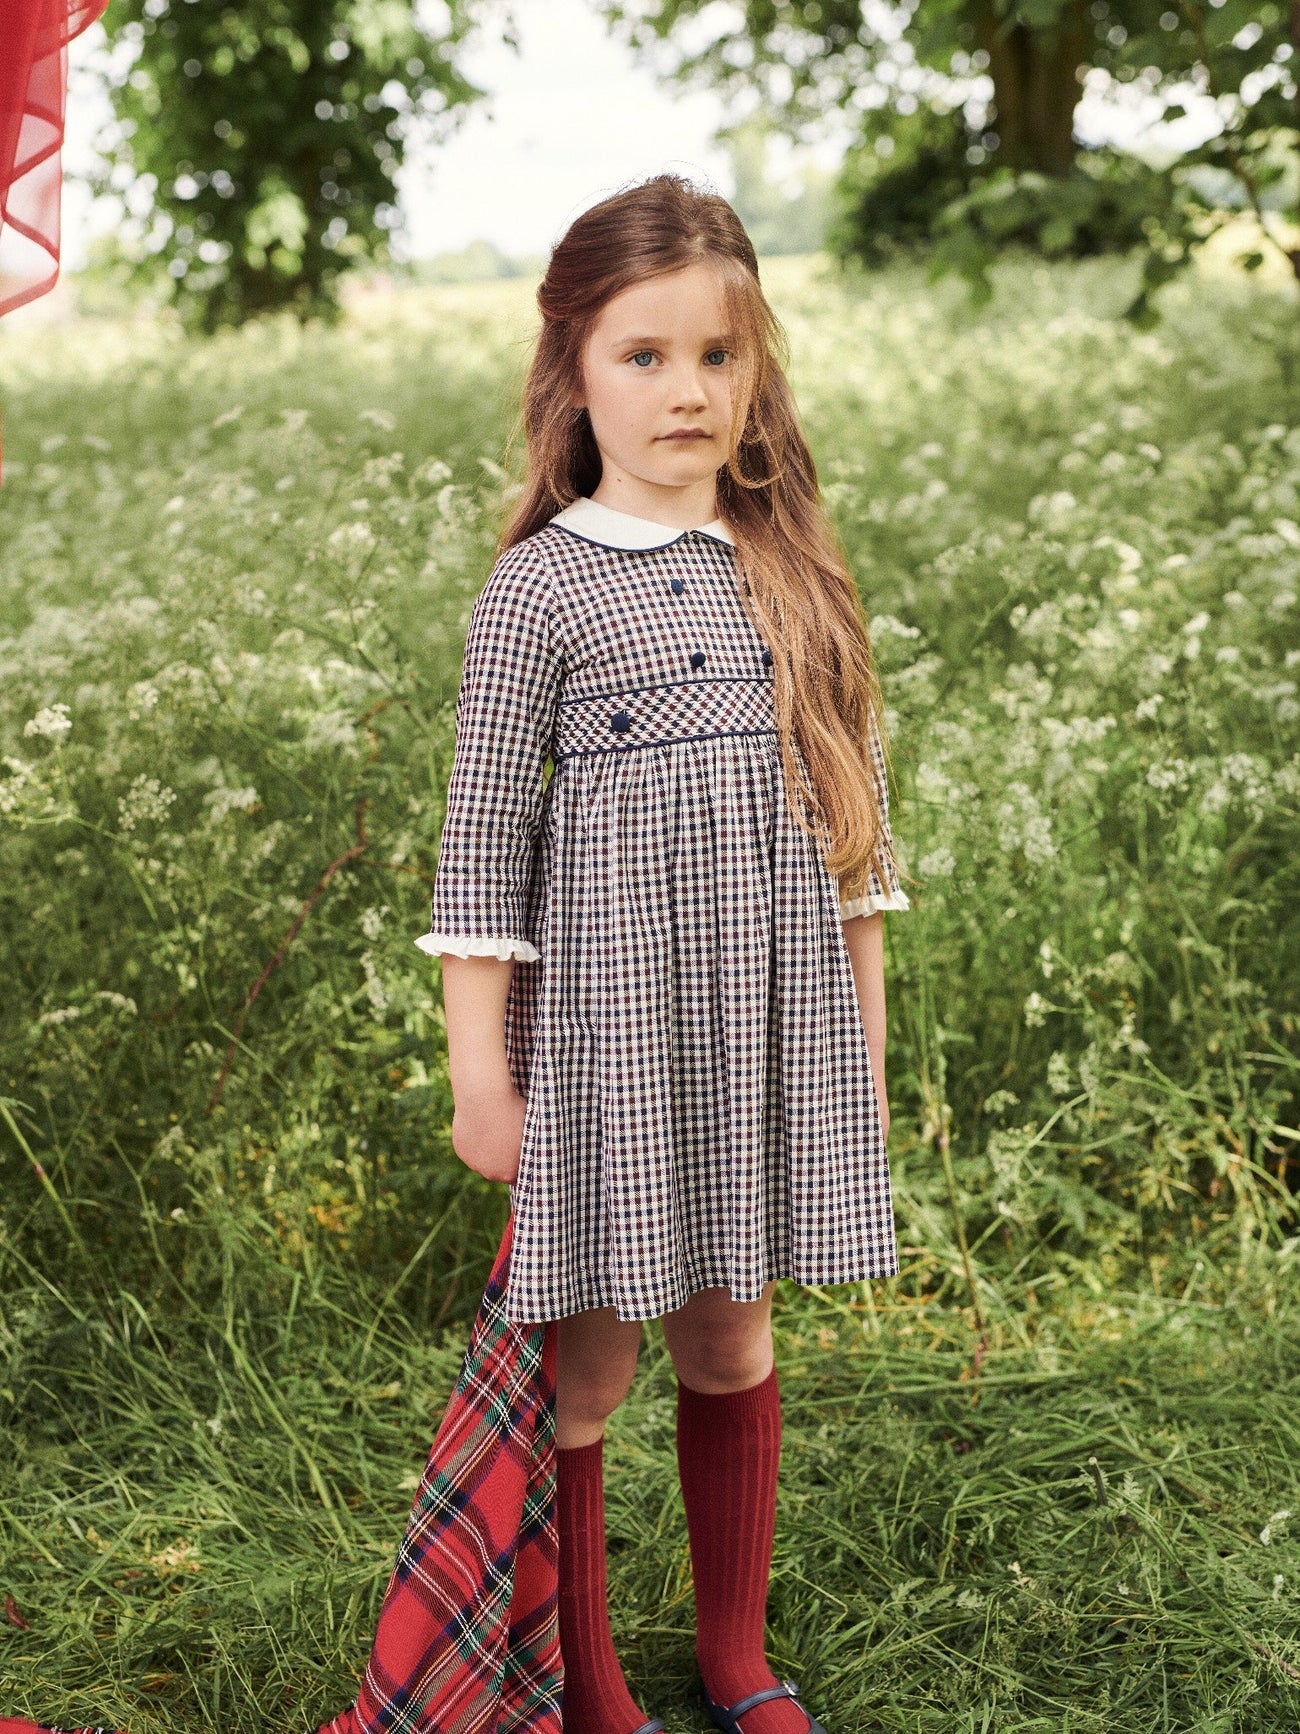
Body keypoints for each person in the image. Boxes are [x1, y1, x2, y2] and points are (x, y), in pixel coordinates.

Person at [415, 171, 911, 1734]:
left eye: (717, 354)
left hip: (767, 1025)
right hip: (608, 1038)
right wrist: (476, 1074)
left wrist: (865, 1045)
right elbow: (483, 850)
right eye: (644, 355)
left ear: (755, 371)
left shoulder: (794, 570)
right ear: (572, 369)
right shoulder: (541, 588)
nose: (685, 389)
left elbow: (858, 846)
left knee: (732, 1326)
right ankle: (591, 1674)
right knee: (595, 1359)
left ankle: (736, 1653)